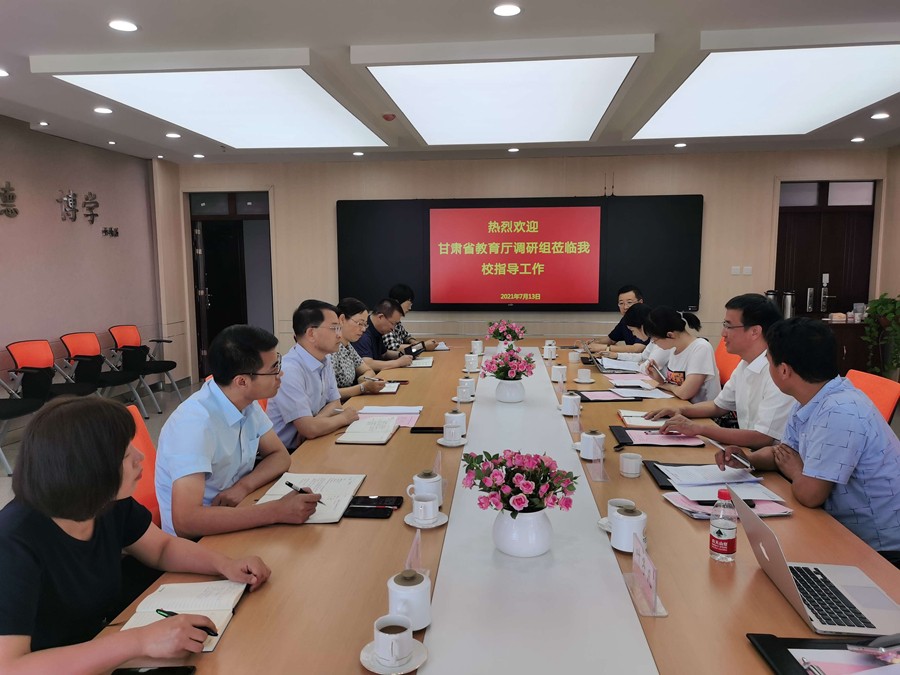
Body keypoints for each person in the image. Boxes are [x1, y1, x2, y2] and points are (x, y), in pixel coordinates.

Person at [0, 396, 271, 673]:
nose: (139, 456)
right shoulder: (13, 542)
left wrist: (224, 564)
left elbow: (162, 548)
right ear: (86, 467)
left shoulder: (104, 503)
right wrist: (139, 641)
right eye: (124, 452)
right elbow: (10, 667)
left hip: (102, 646)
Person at [716, 317, 900, 567]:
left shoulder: (839, 411)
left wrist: (795, 470)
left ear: (784, 371)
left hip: (879, 550)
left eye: (769, 362)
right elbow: (783, 453)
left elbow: (810, 494)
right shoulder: (812, 397)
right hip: (837, 527)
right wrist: (748, 459)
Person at [156, 325, 320, 538]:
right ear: (242, 381)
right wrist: (276, 511)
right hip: (200, 537)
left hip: (239, 508)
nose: (281, 374)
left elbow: (280, 456)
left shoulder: (245, 402)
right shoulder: (194, 424)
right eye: (273, 369)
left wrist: (243, 487)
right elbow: (186, 522)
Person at [647, 293, 794, 449]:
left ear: (755, 332)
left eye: (729, 326)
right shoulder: (745, 364)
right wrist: (679, 410)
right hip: (747, 450)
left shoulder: (778, 373)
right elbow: (718, 406)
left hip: (767, 456)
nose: (723, 333)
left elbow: (763, 438)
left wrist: (700, 429)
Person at [266, 300, 361, 449]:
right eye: (334, 328)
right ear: (311, 333)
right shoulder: (289, 370)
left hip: (313, 440)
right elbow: (309, 429)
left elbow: (335, 403)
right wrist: (344, 418)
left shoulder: (325, 359)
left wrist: (315, 423)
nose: (339, 335)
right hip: (290, 451)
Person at [643, 306, 720, 403]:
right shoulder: (674, 349)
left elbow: (685, 393)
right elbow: (676, 385)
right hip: (681, 405)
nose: (654, 343)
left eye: (655, 340)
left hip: (702, 410)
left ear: (670, 335)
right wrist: (659, 378)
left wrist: (666, 386)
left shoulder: (701, 348)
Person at [333, 297, 389, 401]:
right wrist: (363, 387)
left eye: (365, 324)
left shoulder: (348, 346)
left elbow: (368, 370)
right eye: (360, 323)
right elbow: (329, 394)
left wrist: (363, 379)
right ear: (342, 320)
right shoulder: (330, 349)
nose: (363, 329)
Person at [597, 303, 672, 372]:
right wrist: (616, 355)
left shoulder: (662, 342)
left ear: (642, 327)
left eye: (632, 330)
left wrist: (643, 364)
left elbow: (648, 368)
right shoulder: (653, 340)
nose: (633, 334)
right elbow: (642, 357)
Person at [352, 298, 414, 372]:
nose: (393, 328)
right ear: (380, 317)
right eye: (393, 323)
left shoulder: (377, 330)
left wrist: (402, 355)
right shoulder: (363, 333)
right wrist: (398, 363)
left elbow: (384, 353)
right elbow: (367, 363)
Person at [587, 285, 649, 354]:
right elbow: (611, 339)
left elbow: (637, 349)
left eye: (629, 302)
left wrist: (605, 348)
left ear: (640, 302)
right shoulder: (625, 320)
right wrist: (593, 342)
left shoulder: (647, 319)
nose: (625, 307)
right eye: (621, 303)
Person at [383, 283, 438, 353]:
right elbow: (393, 348)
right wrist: (422, 346)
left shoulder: (397, 320)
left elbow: (405, 336)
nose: (410, 308)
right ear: (397, 302)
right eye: (409, 303)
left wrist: (413, 342)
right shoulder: (386, 320)